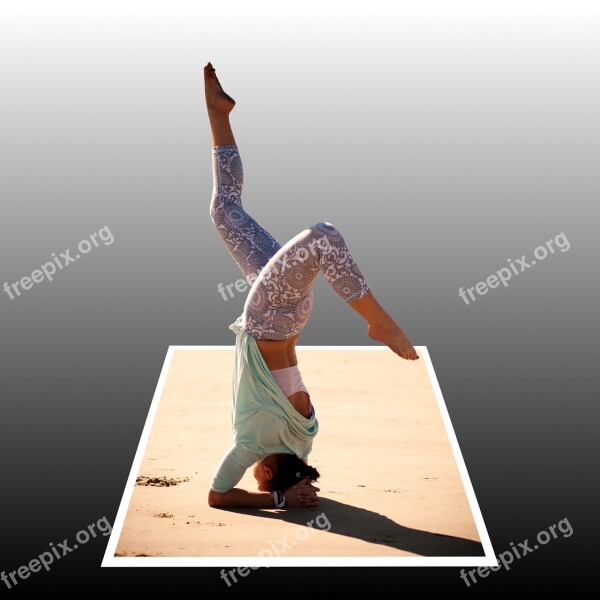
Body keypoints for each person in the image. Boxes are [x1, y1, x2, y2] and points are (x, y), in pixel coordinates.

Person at [205, 63, 418, 509]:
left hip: (285, 311)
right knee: (324, 237)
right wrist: (275, 499)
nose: (254, 480)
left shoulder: (304, 439)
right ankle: (382, 325)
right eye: (261, 481)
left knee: (225, 210)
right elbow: (217, 496)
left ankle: (218, 112)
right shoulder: (250, 444)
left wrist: (284, 492)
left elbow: (286, 470)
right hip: (269, 314)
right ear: (264, 470)